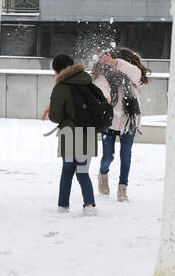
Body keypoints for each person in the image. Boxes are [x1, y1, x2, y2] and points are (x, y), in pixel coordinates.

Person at [92, 48, 150, 202]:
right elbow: (99, 88)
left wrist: (116, 62)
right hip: (110, 121)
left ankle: (122, 188)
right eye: (108, 62)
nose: (111, 65)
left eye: (113, 61)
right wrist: (105, 98)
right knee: (108, 156)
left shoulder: (130, 76)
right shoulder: (104, 76)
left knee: (125, 156)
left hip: (128, 121)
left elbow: (136, 73)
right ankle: (103, 175)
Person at [42, 54, 97, 216]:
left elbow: (56, 116)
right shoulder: (88, 82)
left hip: (70, 134)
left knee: (67, 171)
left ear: (57, 70)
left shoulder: (61, 86)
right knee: (82, 171)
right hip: (89, 132)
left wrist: (53, 110)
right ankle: (89, 205)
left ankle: (63, 205)